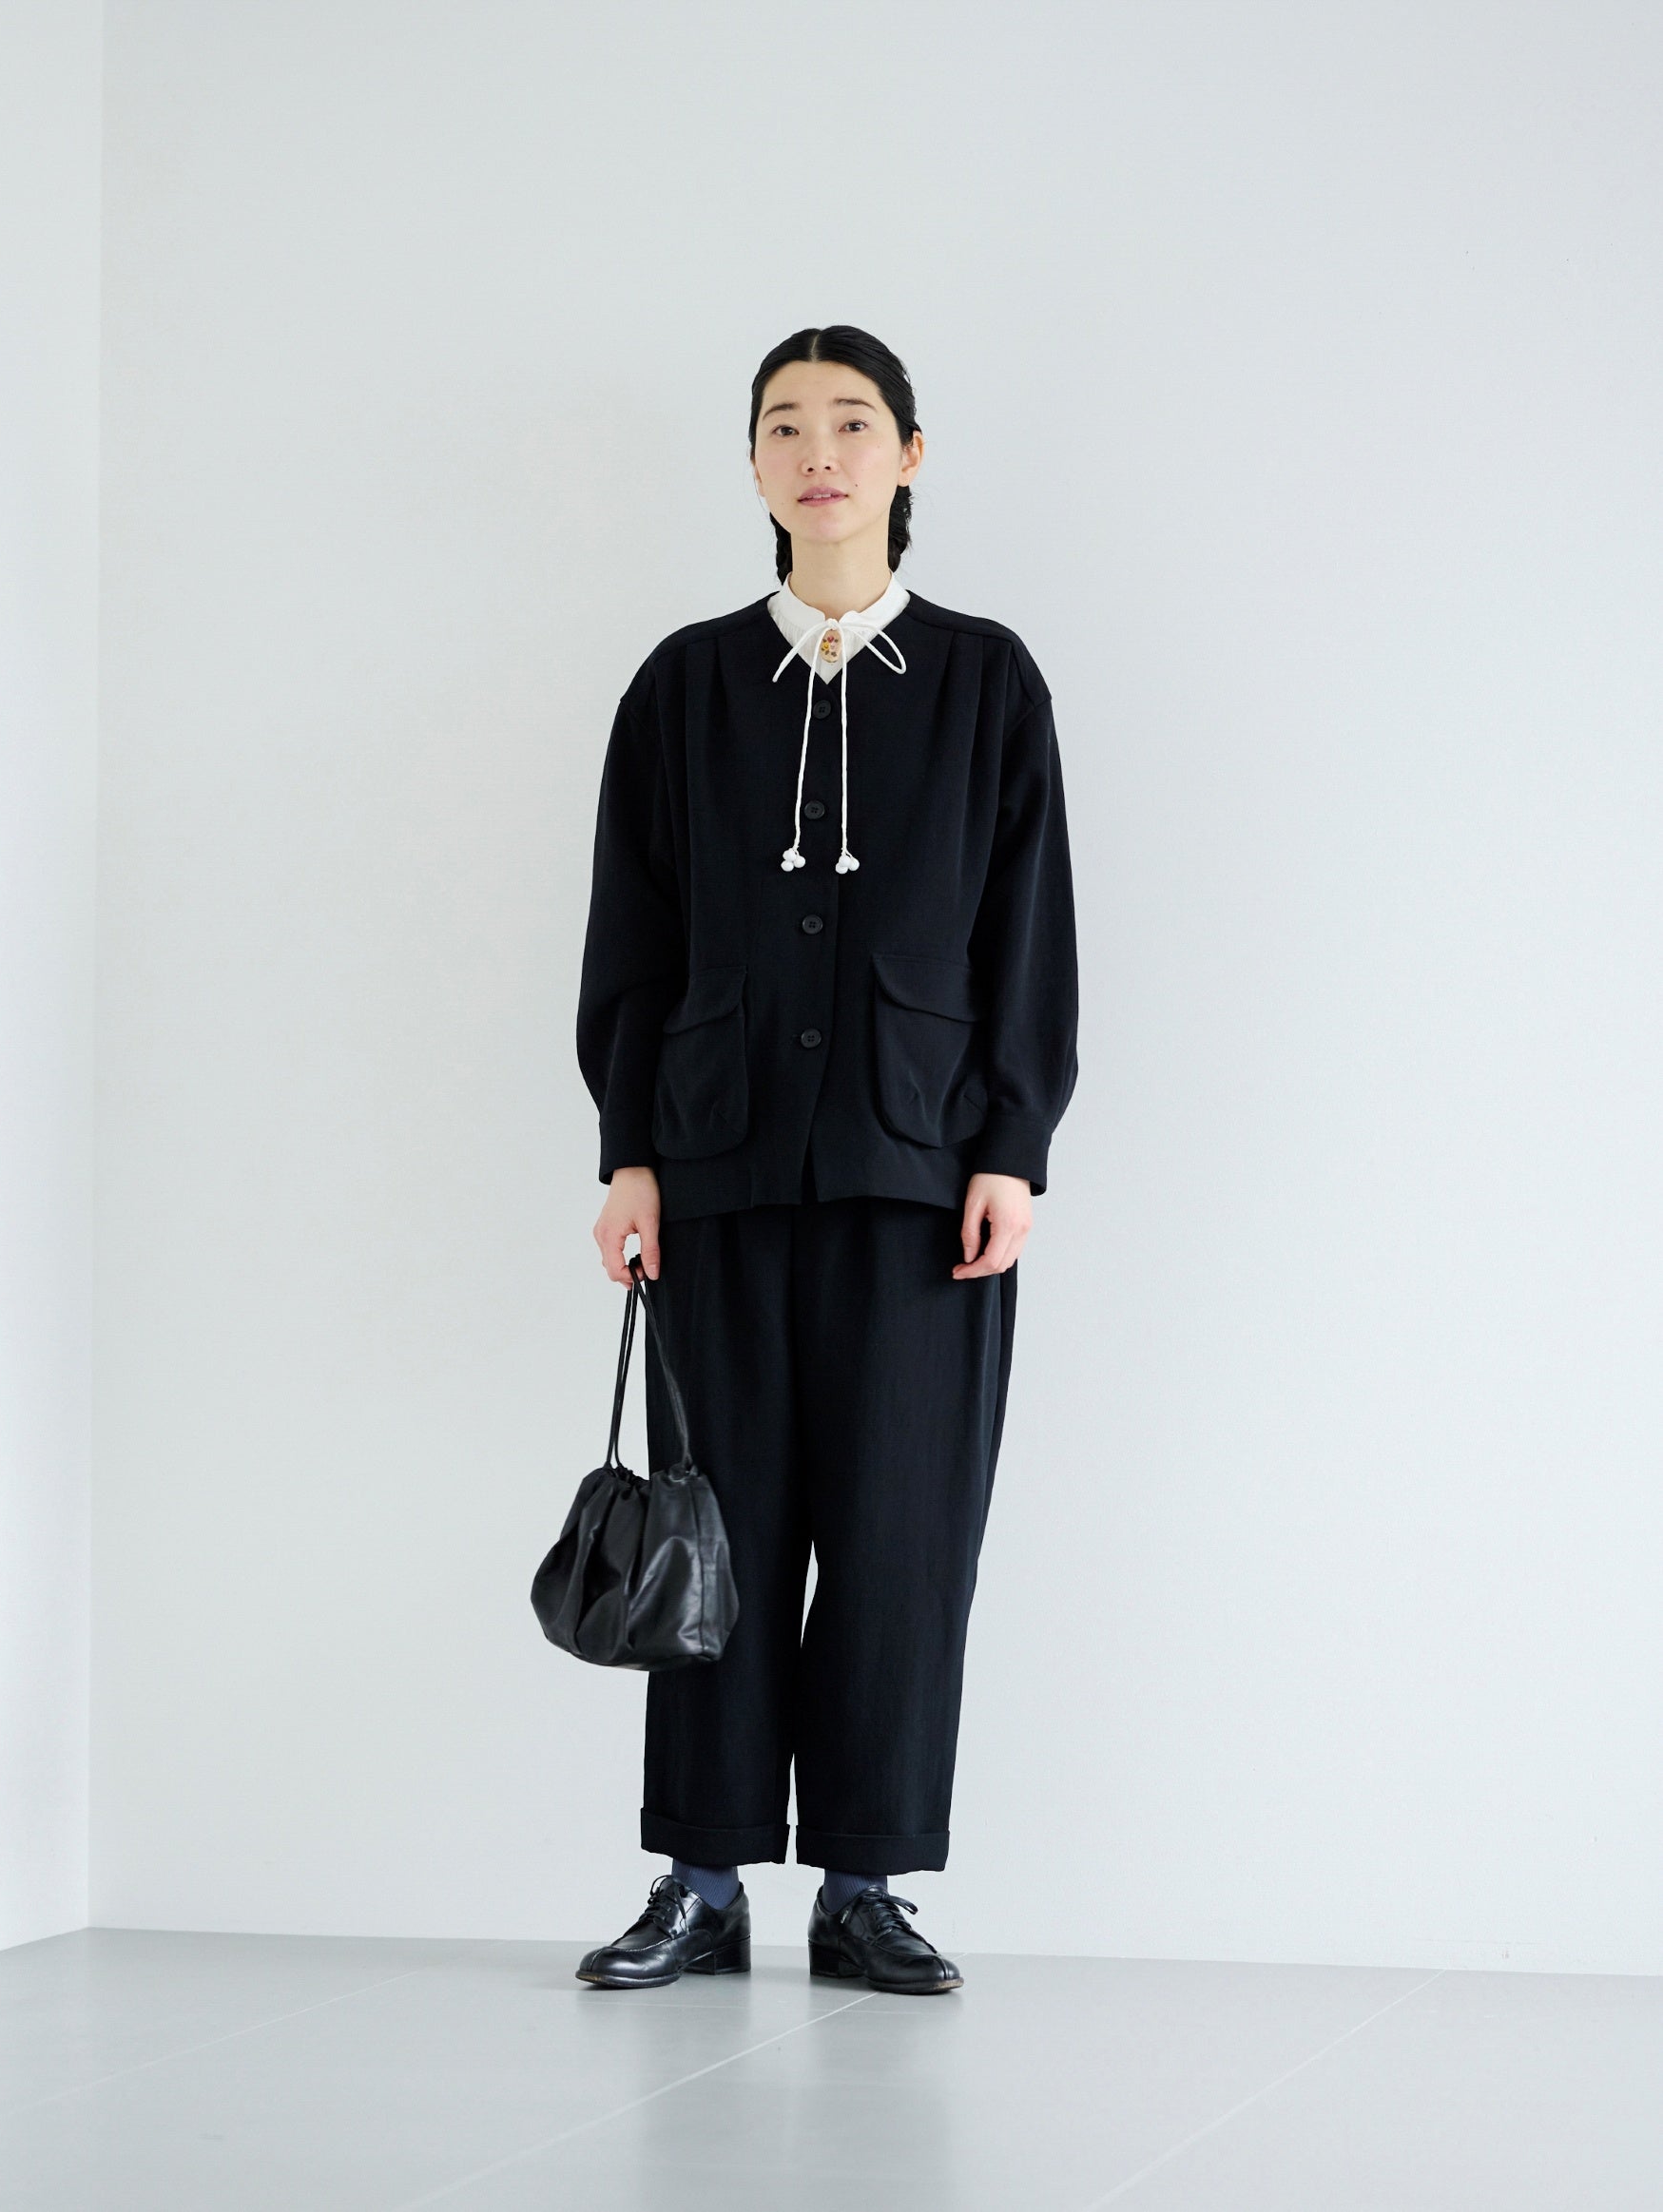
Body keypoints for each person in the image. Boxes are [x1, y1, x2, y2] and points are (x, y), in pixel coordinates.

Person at [572, 324, 1078, 1994]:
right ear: (753, 464)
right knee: (715, 1530)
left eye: (853, 423)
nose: (819, 453)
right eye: (785, 426)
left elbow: (1028, 935)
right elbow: (633, 938)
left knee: (899, 1542)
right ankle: (701, 1878)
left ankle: (865, 1885)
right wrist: (629, 1152)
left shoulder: (988, 683)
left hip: (925, 1184)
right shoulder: (685, 686)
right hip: (715, 1177)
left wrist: (1011, 1143)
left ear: (909, 455)